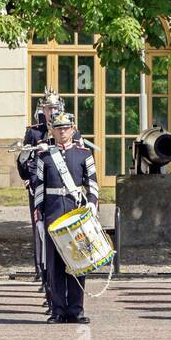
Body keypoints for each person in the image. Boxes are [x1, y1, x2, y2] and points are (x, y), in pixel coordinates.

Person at [31, 110, 99, 324]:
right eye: (58, 129)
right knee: (55, 264)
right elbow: (39, 186)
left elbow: (93, 183)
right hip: (53, 211)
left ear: (73, 129)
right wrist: (39, 213)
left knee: (79, 261)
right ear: (52, 130)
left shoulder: (84, 154)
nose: (62, 132)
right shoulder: (45, 156)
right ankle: (58, 310)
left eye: (66, 128)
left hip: (75, 211)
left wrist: (92, 203)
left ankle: (76, 309)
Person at [19, 89, 64, 305]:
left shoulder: (67, 130)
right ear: (42, 110)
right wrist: (28, 178)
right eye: (48, 108)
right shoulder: (34, 133)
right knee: (40, 235)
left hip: (61, 191)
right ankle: (44, 277)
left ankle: (61, 286)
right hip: (39, 189)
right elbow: (24, 161)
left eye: (55, 107)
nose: (52, 111)